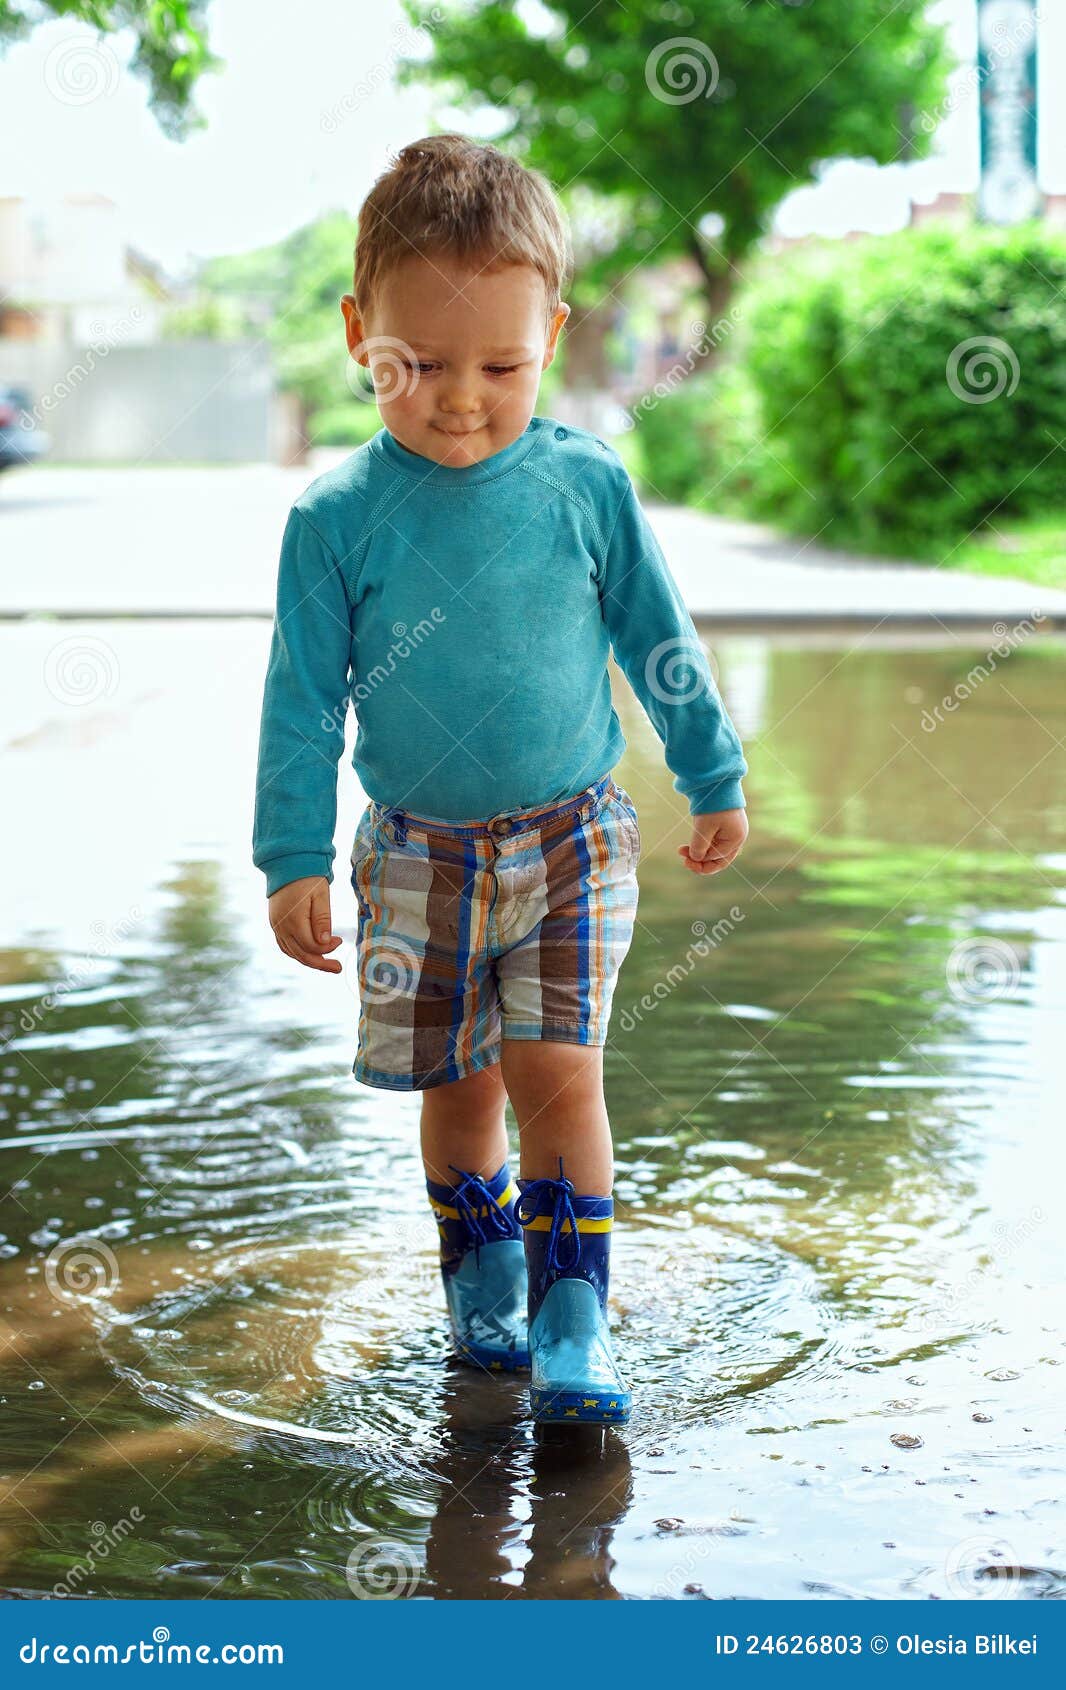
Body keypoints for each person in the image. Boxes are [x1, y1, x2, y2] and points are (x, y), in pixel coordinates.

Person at [252, 134, 749, 1425]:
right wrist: (291, 857)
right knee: (459, 1090)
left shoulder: (585, 485)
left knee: (558, 1074)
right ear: (360, 331)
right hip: (416, 856)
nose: (459, 398)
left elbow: (658, 640)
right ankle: (480, 1275)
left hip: (574, 838)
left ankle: (573, 1310)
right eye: (415, 364)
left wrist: (711, 769)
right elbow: (300, 701)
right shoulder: (335, 518)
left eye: (501, 366)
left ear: (554, 335)